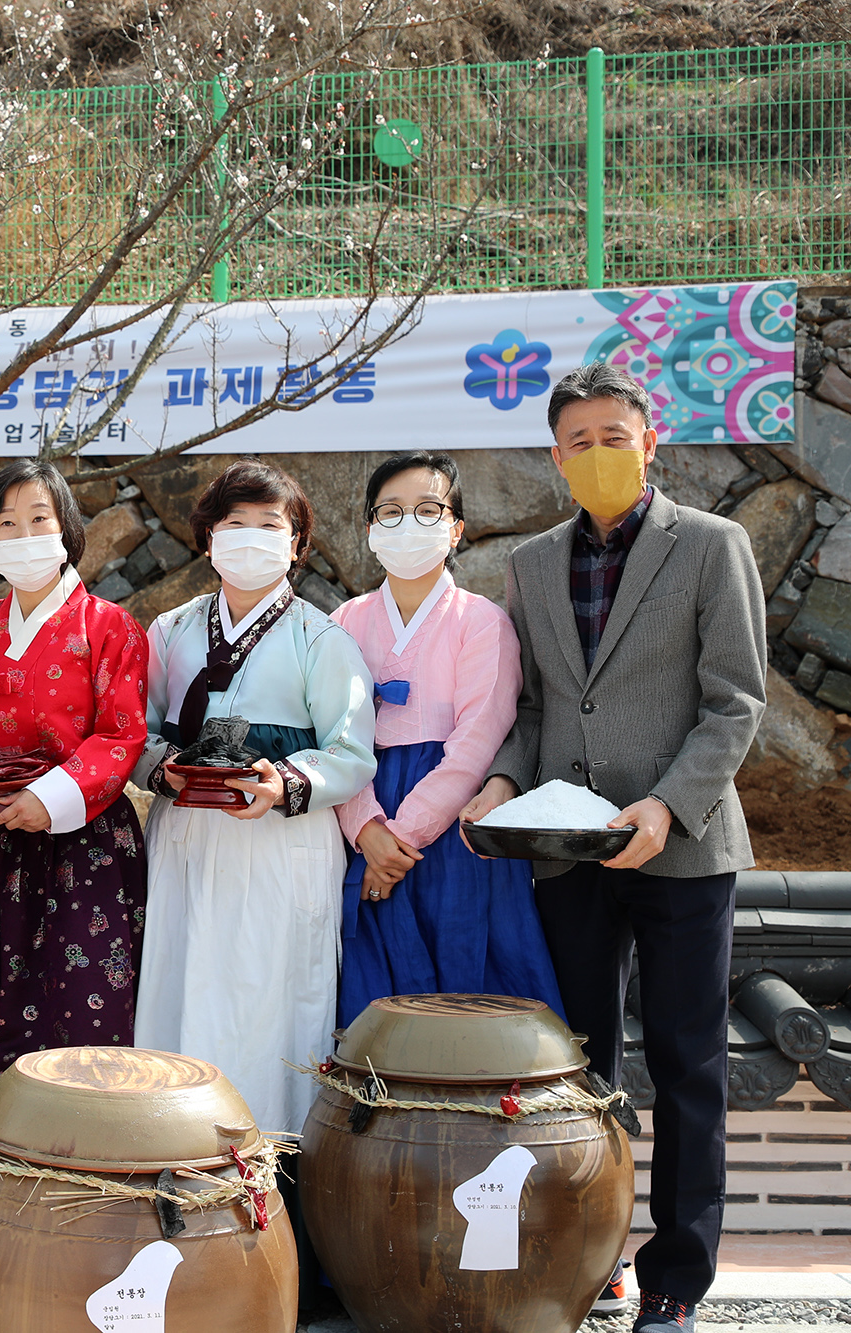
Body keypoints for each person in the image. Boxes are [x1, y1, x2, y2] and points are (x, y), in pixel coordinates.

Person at [461, 363, 766, 1333]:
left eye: (612, 437)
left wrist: (665, 807)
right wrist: (502, 783)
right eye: (576, 442)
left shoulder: (711, 546)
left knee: (683, 1060)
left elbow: (733, 702)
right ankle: (589, 1256)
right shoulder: (533, 563)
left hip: (680, 850)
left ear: (649, 442)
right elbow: (537, 706)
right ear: (554, 457)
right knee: (574, 1065)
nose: (596, 455)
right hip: (567, 852)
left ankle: (674, 1275)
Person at [0, 460, 149, 1204]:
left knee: (79, 1022)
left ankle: (81, 1203)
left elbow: (122, 734)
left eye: (39, 518)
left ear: (69, 529)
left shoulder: (111, 628)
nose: (23, 534)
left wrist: (50, 797)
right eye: (5, 523)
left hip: (83, 854)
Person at [132, 459, 376, 1129]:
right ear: (208, 537)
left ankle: (271, 1170)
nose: (250, 537)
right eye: (234, 523)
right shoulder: (171, 631)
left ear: (296, 544)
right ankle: (174, 1147)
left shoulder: (320, 637)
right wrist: (163, 767)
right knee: (181, 988)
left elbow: (352, 752)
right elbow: (139, 731)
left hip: (281, 845)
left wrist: (287, 780)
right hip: (187, 839)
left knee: (274, 1003)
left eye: (271, 525)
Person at [331, 452, 563, 1026]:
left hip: (455, 825)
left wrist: (396, 841)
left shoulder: (482, 621)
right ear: (369, 530)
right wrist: (364, 829)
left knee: (469, 972)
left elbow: (477, 741)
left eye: (429, 509)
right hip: (364, 802)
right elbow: (332, 733)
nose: (408, 523)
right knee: (373, 986)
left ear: (456, 527)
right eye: (391, 512)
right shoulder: (344, 622)